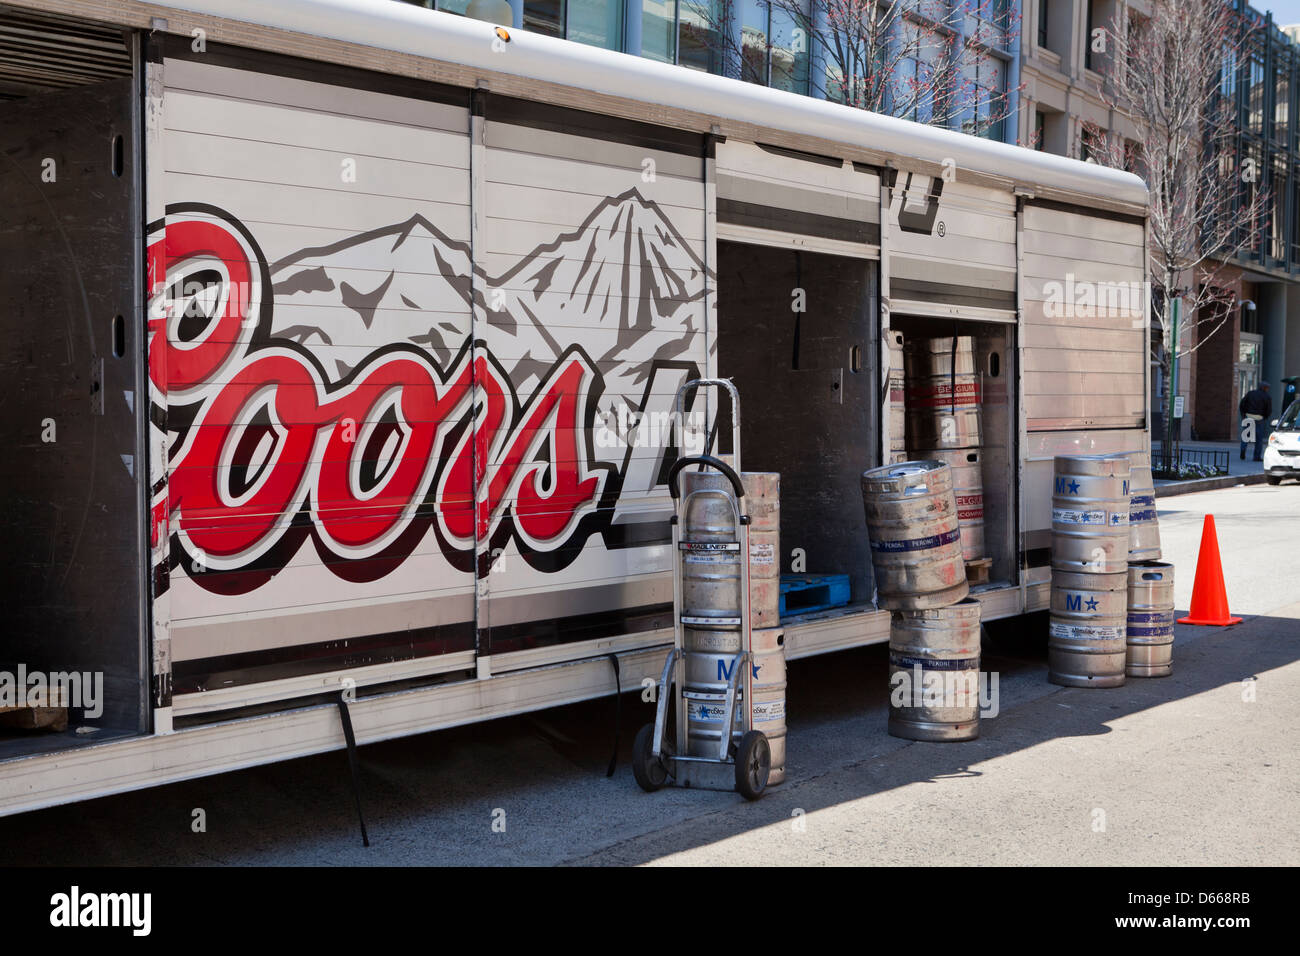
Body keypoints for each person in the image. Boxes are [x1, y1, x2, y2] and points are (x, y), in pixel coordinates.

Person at [1239, 382, 1272, 461]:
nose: (1268, 389)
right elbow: (1268, 409)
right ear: (1265, 388)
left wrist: (1243, 415)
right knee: (1258, 439)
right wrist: (1265, 417)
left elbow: (1242, 404)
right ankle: (1256, 456)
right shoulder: (1267, 396)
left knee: (1246, 436)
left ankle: (1243, 450)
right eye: (1267, 388)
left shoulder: (1250, 393)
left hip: (1248, 417)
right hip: (1259, 418)